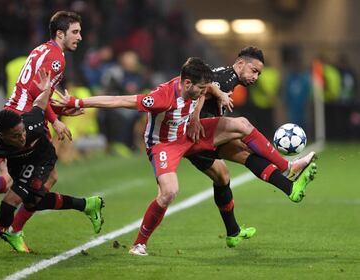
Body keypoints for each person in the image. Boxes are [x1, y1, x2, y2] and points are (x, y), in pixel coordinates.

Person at [54, 57, 317, 256]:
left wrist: (203, 106)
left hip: (190, 134)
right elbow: (120, 101)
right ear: (186, 83)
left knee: (243, 125)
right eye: (199, 89)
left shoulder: (198, 86)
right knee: (169, 192)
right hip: (164, 144)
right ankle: (139, 244)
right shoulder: (161, 98)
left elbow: (210, 87)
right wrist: (78, 103)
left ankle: (288, 167)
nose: (203, 92)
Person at [0, 11, 84, 253]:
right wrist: (55, 120)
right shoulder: (57, 58)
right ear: (60, 33)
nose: (80, 37)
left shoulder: (40, 49)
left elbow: (34, 91)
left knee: (16, 179)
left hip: (11, 112)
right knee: (44, 179)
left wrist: (58, 108)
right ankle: (13, 229)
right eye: (75, 32)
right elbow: (38, 94)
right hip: (27, 123)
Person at [0, 69, 104, 260]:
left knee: (9, 203)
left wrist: (46, 90)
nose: (22, 137)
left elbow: (40, 103)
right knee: (32, 201)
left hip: (41, 158)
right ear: (3, 135)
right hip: (17, 162)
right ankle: (87, 204)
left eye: (22, 132)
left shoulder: (31, 122)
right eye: (16, 135)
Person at [185, 47, 317, 248]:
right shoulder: (227, 76)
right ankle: (288, 168)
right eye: (254, 70)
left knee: (223, 177)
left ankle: (234, 232)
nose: (256, 77)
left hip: (202, 136)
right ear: (240, 64)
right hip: (198, 133)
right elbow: (205, 87)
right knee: (243, 129)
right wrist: (201, 111)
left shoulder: (230, 78)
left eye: (259, 73)